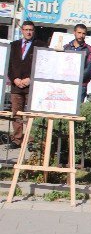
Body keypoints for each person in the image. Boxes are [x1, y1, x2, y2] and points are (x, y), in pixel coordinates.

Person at [7, 21, 46, 149]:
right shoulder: (14, 45)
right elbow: (9, 65)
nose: (28, 32)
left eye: (31, 30)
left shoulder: (40, 45)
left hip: (32, 86)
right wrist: (14, 79)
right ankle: (17, 139)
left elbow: (43, 65)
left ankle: (31, 140)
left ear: (34, 31)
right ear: (22, 30)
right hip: (16, 85)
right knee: (16, 113)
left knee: (31, 114)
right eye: (26, 29)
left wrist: (31, 78)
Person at [63, 23, 91, 102]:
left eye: (83, 33)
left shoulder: (90, 50)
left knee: (77, 110)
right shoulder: (66, 47)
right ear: (74, 33)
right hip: (65, 84)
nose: (81, 35)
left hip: (81, 86)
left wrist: (76, 78)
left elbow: (89, 69)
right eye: (79, 33)